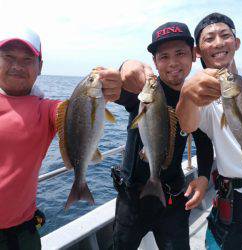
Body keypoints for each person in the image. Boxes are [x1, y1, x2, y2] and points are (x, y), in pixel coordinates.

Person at [0, 24, 122, 250]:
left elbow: (75, 111)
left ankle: (80, 186)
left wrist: (112, 87)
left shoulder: (46, 109)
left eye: (27, 59)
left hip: (20, 232)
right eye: (8, 57)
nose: (17, 65)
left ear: (40, 66)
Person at [112, 21, 214, 250]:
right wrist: (124, 67)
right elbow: (115, 90)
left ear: (194, 56)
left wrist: (205, 176)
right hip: (131, 200)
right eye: (164, 57)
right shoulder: (144, 92)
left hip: (173, 198)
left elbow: (204, 143)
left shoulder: (193, 98)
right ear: (155, 62)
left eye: (180, 53)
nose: (173, 63)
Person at [176, 13, 242, 249]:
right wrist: (187, 95)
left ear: (236, 43)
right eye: (209, 39)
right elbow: (187, 125)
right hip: (236, 200)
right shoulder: (201, 97)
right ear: (198, 51)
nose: (218, 43)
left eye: (225, 36)